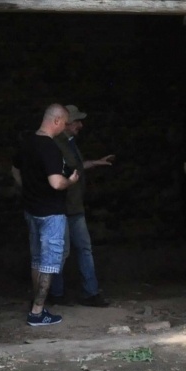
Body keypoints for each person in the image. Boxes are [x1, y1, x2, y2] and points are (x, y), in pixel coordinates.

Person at [17, 104, 78, 327]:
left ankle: (37, 305)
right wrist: (70, 181)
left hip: (31, 209)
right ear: (56, 121)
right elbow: (56, 182)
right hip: (51, 212)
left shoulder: (27, 142)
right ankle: (37, 312)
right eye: (64, 122)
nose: (65, 127)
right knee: (50, 262)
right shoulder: (50, 147)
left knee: (37, 260)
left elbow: (14, 169)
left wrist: (29, 189)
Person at [50, 104, 115, 307]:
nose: (81, 125)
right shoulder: (55, 145)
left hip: (73, 207)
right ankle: (58, 293)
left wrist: (94, 163)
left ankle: (88, 292)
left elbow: (75, 168)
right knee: (63, 251)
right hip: (63, 208)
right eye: (77, 121)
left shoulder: (68, 142)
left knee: (81, 248)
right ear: (66, 123)